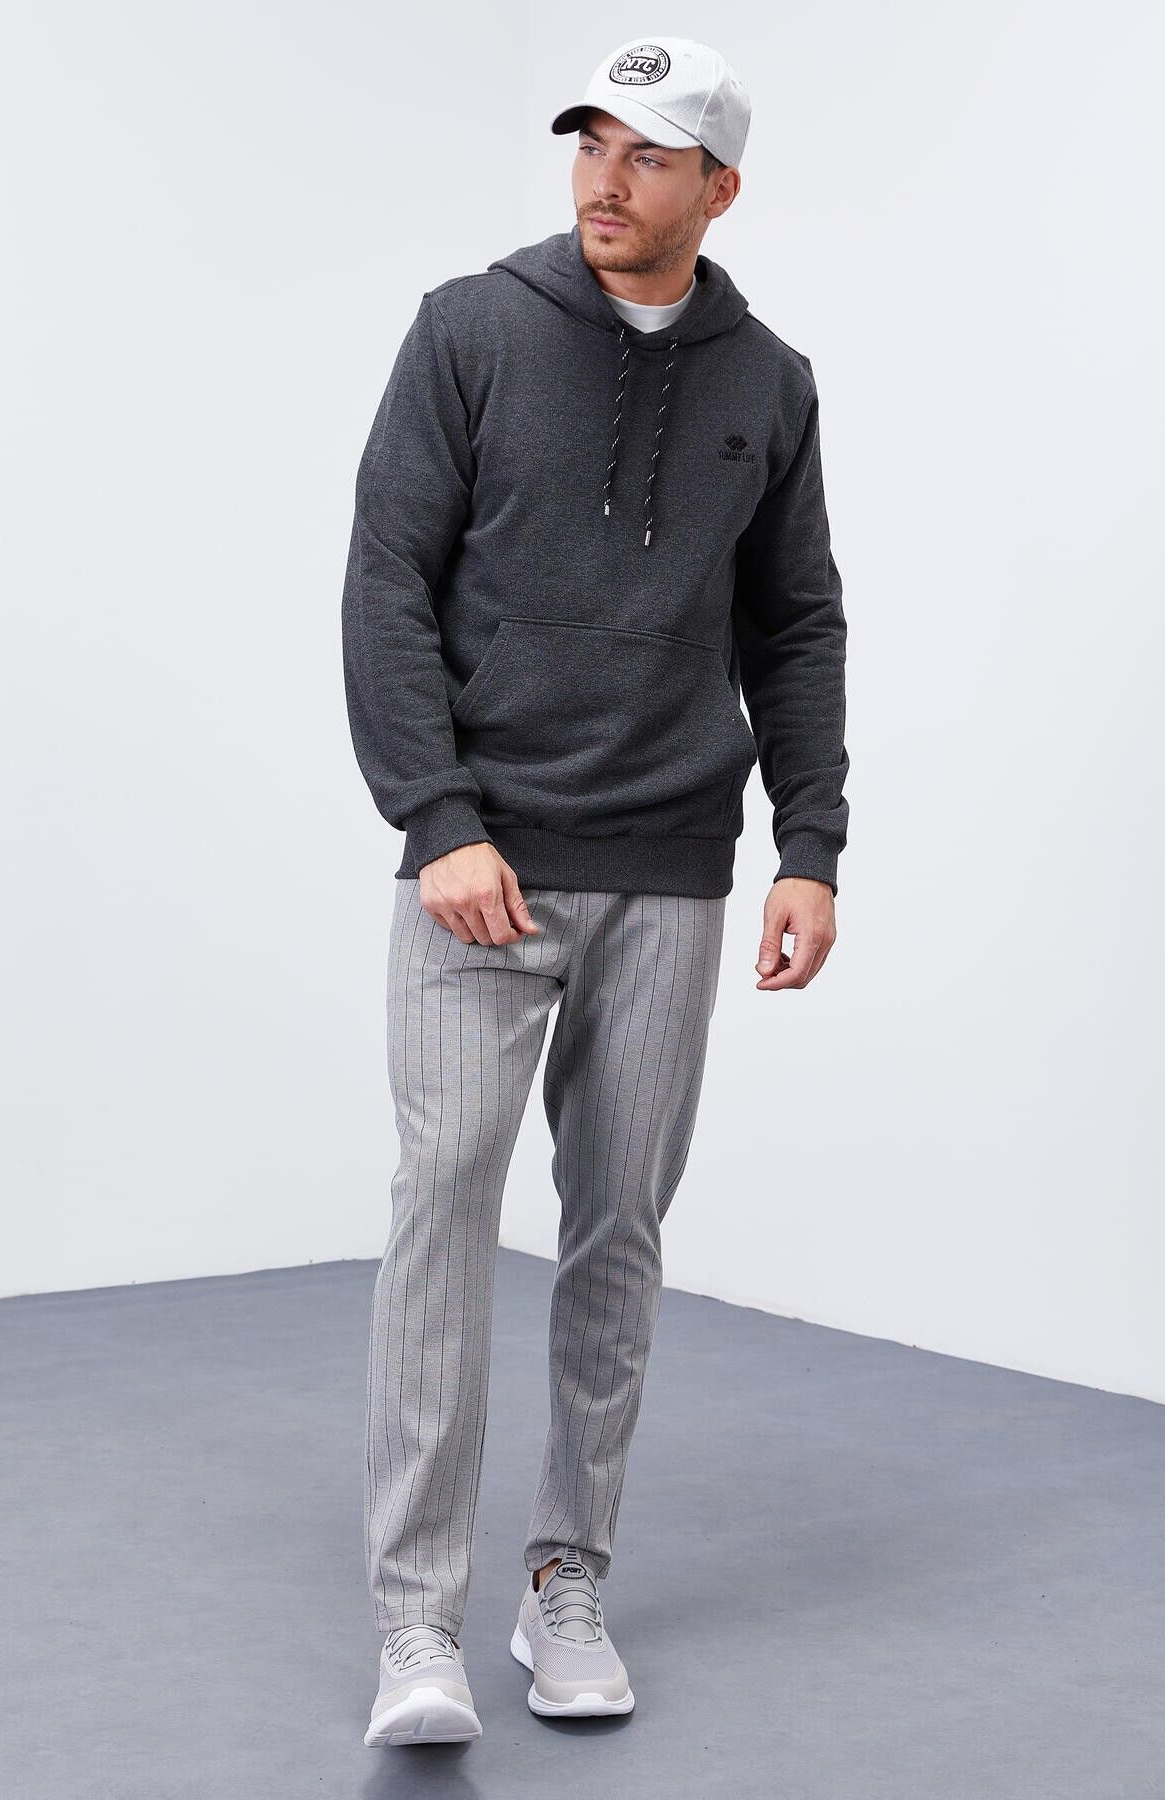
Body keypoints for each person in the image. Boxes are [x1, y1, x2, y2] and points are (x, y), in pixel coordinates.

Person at [341, 34, 849, 1749]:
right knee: (442, 1207)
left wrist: (809, 844)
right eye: (591, 144)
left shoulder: (769, 383)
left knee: (620, 1228)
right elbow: (386, 586)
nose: (604, 181)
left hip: (672, 869)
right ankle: (417, 1623)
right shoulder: (469, 330)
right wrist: (437, 817)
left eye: (648, 155)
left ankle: (569, 1581)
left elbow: (796, 624)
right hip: (480, 867)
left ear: (720, 187)